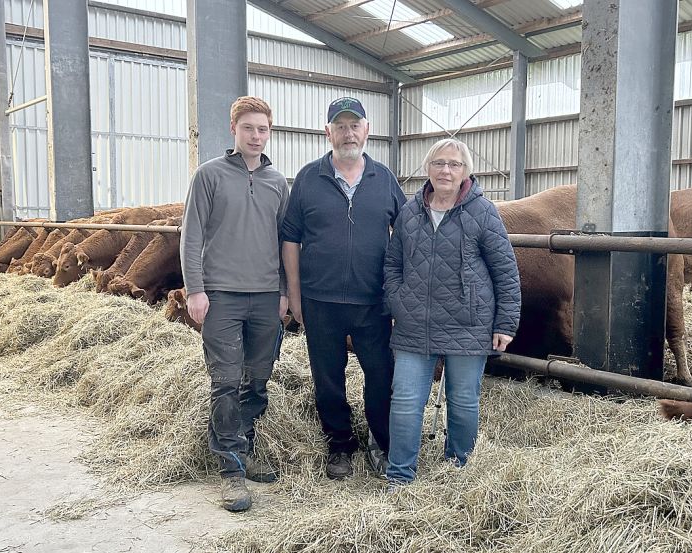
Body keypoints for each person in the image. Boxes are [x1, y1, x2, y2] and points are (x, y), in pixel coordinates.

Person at [281, 97, 407, 479]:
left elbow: (404, 236)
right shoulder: (308, 177)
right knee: (327, 377)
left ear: (367, 131)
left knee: (380, 375)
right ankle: (339, 444)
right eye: (340, 125)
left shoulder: (384, 179)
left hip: (373, 302)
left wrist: (399, 296)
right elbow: (290, 238)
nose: (348, 132)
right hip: (321, 301)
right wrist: (296, 294)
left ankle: (380, 441)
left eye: (355, 125)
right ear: (328, 132)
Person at [383, 137, 521, 486]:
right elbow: (392, 263)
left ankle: (458, 471)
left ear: (465, 173)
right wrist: (398, 302)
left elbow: (505, 269)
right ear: (427, 169)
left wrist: (505, 322)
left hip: (468, 322)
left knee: (462, 401)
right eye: (439, 163)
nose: (446, 170)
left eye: (455, 164)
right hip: (415, 323)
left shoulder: (482, 211)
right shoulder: (410, 212)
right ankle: (399, 477)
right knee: (405, 401)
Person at [180, 96, 289, 512]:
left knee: (257, 380)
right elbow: (191, 235)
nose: (256, 136)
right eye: (249, 128)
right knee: (225, 380)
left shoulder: (278, 182)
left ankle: (245, 448)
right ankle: (229, 469)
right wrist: (195, 289)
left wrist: (281, 292)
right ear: (234, 130)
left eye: (263, 129)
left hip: (264, 297)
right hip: (221, 294)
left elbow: (284, 243)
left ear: (269, 131)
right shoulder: (209, 175)